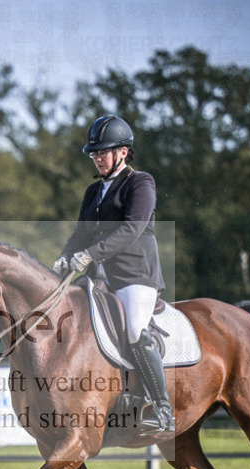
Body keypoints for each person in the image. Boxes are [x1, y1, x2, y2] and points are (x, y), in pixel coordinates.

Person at [52, 115, 174, 435]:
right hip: (100, 279)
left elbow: (131, 229)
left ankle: (161, 409)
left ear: (123, 152)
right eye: (93, 153)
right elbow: (80, 234)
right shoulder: (93, 191)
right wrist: (66, 257)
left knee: (134, 329)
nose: (97, 157)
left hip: (136, 277)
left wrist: (90, 254)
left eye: (103, 151)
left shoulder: (140, 182)